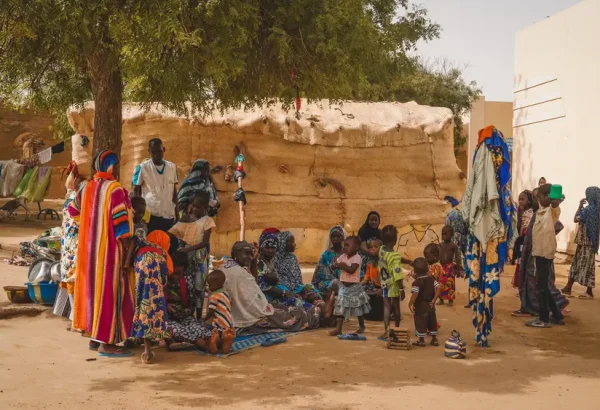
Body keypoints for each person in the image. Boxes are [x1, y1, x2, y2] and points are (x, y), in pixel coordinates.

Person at [68, 150, 135, 357]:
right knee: (110, 294)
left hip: (89, 252)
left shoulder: (86, 187)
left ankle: (95, 339)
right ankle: (107, 343)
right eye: (116, 166)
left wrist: (91, 227)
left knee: (94, 292)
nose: (118, 170)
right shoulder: (115, 189)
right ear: (110, 167)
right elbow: (122, 227)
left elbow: (72, 211)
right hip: (110, 252)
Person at [461, 126, 516, 346]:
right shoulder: (499, 190)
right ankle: (482, 331)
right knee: (485, 280)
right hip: (489, 233)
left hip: (485, 234)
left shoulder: (482, 163)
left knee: (481, 279)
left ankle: (482, 329)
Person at [222, 241, 321, 334]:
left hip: (252, 308)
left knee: (292, 308)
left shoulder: (231, 266)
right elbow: (254, 295)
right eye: (246, 254)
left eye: (251, 254)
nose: (249, 257)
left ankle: (319, 314)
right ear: (235, 253)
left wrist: (254, 260)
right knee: (296, 314)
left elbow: (254, 285)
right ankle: (318, 317)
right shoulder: (238, 273)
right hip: (249, 315)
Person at [169, 191, 216, 317]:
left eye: (199, 207)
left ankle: (199, 317)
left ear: (206, 207)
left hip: (200, 258)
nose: (195, 209)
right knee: (189, 284)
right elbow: (173, 233)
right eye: (193, 206)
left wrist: (187, 249)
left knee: (199, 287)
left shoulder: (208, 221)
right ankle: (189, 313)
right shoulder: (186, 219)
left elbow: (204, 242)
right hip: (187, 258)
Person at [129, 231, 173, 363]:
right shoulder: (162, 252)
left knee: (141, 305)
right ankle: (148, 350)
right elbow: (166, 276)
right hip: (155, 281)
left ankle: (142, 342)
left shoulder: (141, 245)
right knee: (152, 307)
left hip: (140, 269)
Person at [527, 184, 565, 328]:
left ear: (547, 198)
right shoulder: (540, 211)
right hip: (539, 252)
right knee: (543, 286)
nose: (538, 200)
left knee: (541, 286)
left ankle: (544, 318)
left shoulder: (551, 211)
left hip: (545, 253)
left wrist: (555, 202)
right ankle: (556, 315)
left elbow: (555, 207)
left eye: (540, 197)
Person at [164, 251, 213, 351]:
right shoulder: (161, 282)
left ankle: (205, 340)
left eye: (179, 274)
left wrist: (187, 311)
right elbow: (155, 306)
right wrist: (167, 307)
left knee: (199, 329)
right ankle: (197, 342)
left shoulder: (187, 281)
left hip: (185, 317)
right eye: (173, 273)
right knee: (176, 330)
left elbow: (192, 304)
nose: (176, 277)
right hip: (167, 319)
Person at [54, 163, 84, 320]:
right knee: (74, 277)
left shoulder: (69, 196)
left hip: (67, 244)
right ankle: (75, 316)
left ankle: (74, 314)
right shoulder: (77, 199)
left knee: (69, 277)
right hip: (74, 244)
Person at [133, 139, 179, 233]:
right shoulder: (142, 168)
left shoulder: (172, 168)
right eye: (153, 152)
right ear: (149, 151)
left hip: (168, 216)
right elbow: (135, 191)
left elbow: (174, 192)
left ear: (164, 149)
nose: (156, 154)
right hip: (150, 217)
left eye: (159, 151)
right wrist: (138, 214)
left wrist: (177, 215)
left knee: (168, 244)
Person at [562, 186, 600, 299]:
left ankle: (586, 291)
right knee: (586, 265)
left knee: (580, 265)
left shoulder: (588, 210)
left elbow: (575, 219)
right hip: (591, 243)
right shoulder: (597, 210)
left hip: (584, 242)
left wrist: (579, 206)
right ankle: (569, 287)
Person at [255, 228, 308, 308]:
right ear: (261, 247)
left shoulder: (271, 261)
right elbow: (262, 285)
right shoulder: (258, 263)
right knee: (301, 305)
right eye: (267, 248)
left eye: (273, 248)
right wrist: (284, 293)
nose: (270, 251)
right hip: (264, 298)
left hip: (277, 293)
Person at [329, 236, 371, 336]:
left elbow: (352, 270)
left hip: (354, 287)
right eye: (344, 245)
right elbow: (334, 265)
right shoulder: (343, 256)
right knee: (340, 307)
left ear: (356, 247)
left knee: (358, 308)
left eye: (347, 245)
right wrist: (334, 264)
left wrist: (341, 265)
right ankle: (338, 329)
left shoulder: (357, 258)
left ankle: (361, 326)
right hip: (343, 287)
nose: (345, 247)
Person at [378, 225, 411, 339]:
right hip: (394, 285)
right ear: (395, 240)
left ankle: (386, 330)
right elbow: (398, 275)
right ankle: (396, 328)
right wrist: (401, 289)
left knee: (386, 307)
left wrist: (407, 261)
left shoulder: (381, 250)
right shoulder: (395, 256)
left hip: (384, 282)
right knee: (396, 307)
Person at [274, 231, 323, 306]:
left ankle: (321, 308)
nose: (294, 244)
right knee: (297, 300)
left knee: (312, 292)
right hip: (286, 290)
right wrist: (295, 290)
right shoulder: (275, 259)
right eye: (292, 242)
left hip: (298, 288)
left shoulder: (292, 257)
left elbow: (298, 279)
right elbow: (279, 280)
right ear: (283, 243)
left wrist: (301, 288)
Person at [409, 258, 441, 347]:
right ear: (427, 269)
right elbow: (438, 288)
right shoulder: (431, 279)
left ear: (415, 270)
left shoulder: (417, 282)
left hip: (420, 306)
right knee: (432, 321)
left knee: (420, 322)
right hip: (430, 305)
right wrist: (434, 300)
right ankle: (434, 339)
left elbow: (415, 294)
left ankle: (421, 341)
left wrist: (410, 304)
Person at [205, 270, 236, 354]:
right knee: (224, 338)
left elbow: (211, 311)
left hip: (218, 324)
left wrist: (204, 319)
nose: (209, 287)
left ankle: (214, 341)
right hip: (228, 324)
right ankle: (226, 339)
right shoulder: (226, 293)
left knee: (211, 334)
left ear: (218, 285)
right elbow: (231, 304)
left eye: (210, 285)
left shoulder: (214, 296)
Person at [312, 225, 346, 299]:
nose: (335, 238)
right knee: (335, 284)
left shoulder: (347, 253)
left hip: (345, 281)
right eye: (333, 236)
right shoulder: (326, 254)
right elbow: (319, 273)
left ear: (343, 238)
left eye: (338, 236)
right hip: (328, 282)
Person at [439, 225, 462, 305]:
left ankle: (450, 300)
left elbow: (457, 257)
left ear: (452, 235)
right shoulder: (440, 245)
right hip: (441, 267)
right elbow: (436, 255)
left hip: (449, 267)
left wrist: (458, 268)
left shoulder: (453, 245)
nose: (444, 236)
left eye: (446, 234)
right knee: (440, 283)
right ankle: (441, 299)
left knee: (450, 284)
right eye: (443, 234)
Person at [511, 190, 534, 267]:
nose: (520, 202)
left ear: (529, 201)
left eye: (522, 199)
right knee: (520, 258)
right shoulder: (521, 212)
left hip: (526, 238)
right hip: (522, 238)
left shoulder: (530, 212)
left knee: (524, 258)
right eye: (519, 199)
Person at [358, 211, 382, 280]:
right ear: (368, 221)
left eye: (376, 220)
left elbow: (381, 245)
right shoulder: (363, 231)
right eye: (371, 220)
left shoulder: (380, 232)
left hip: (376, 254)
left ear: (379, 221)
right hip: (365, 254)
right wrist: (371, 253)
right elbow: (362, 247)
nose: (373, 222)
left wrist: (377, 253)